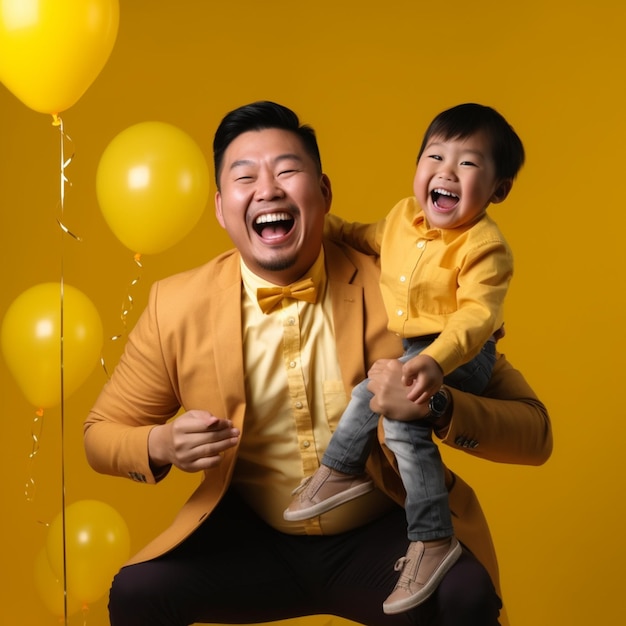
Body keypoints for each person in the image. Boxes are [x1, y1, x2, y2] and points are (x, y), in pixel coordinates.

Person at [84, 101, 552, 626]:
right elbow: (100, 435)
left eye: (287, 170)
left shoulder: (407, 286)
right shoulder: (175, 306)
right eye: (246, 176)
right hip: (252, 538)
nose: (268, 190)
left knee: (464, 596)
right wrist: (160, 444)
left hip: (382, 532)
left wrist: (435, 404)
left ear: (324, 192)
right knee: (139, 592)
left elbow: (535, 433)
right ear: (220, 208)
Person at [283, 103, 524, 614]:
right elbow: (364, 237)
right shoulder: (401, 219)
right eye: (435, 156)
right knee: (370, 393)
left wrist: (437, 363)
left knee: (402, 423)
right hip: (416, 349)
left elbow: (476, 317)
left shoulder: (485, 248)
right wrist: (323, 225)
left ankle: (433, 537)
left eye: (468, 163)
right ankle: (343, 470)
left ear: (498, 190)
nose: (446, 171)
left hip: (462, 352)